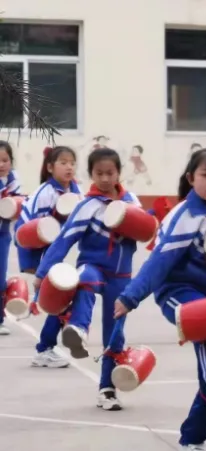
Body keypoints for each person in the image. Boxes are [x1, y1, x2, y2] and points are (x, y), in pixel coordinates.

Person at [113, 148, 206, 450]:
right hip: (177, 293)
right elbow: (160, 261)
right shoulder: (185, 216)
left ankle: (192, 439)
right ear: (191, 178)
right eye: (205, 175)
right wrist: (131, 297)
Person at [33, 148, 141, 411]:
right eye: (99, 173)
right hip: (92, 266)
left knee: (114, 333)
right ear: (91, 174)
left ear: (119, 173)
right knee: (85, 280)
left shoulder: (131, 202)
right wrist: (41, 272)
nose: (104, 178)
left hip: (121, 276)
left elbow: (146, 230)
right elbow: (64, 239)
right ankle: (78, 330)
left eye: (110, 173)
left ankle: (107, 389)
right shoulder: (87, 206)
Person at [15, 146, 81, 368]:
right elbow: (28, 233)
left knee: (65, 298)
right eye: (63, 162)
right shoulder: (45, 194)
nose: (69, 167)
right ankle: (44, 349)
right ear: (50, 167)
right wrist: (36, 268)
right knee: (60, 297)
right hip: (35, 250)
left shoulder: (75, 190)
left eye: (72, 162)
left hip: (54, 250)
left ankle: (47, 346)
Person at [0, 141, 21, 336]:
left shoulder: (14, 180)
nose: (1, 164)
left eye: (5, 160)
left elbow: (16, 207)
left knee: (0, 278)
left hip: (3, 235)